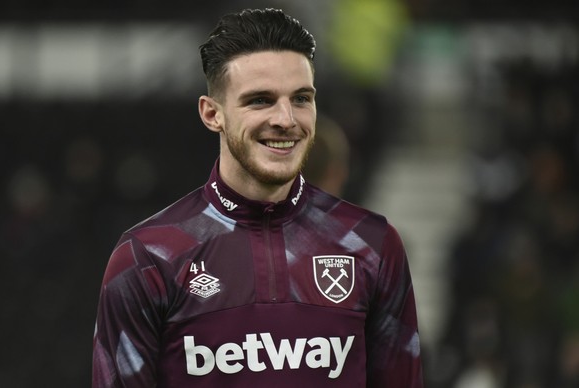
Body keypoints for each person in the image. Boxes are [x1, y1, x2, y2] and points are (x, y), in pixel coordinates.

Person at [92, 8, 423, 387]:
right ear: (212, 113)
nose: (286, 118)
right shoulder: (148, 258)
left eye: (300, 98)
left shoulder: (373, 245)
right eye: (260, 100)